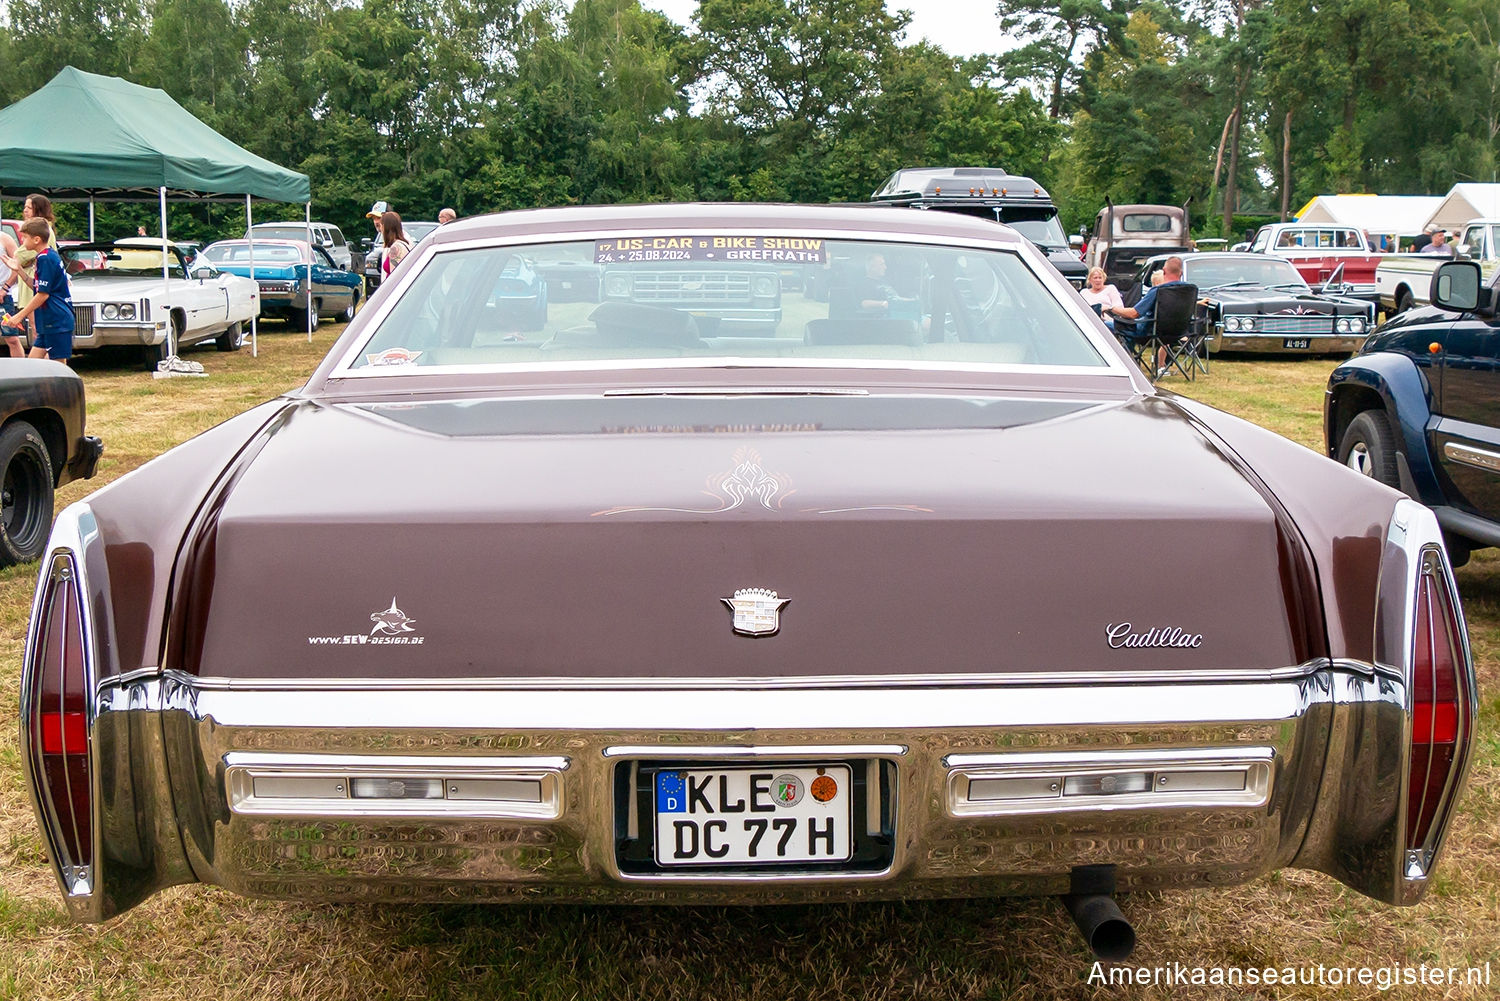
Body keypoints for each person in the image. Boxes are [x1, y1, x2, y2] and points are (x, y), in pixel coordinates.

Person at [2, 219, 74, 363]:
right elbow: (37, 286)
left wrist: (19, 316)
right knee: (33, 366)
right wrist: (19, 270)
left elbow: (43, 295)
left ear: (36, 239)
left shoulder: (46, 258)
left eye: (25, 237)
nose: (22, 241)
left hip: (56, 321)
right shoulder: (44, 256)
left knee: (58, 368)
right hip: (48, 322)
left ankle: (65, 387)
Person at [1109, 255, 1188, 374]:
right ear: (1181, 273)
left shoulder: (1158, 291)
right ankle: (1130, 364)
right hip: (1178, 333)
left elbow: (1133, 314)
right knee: (1127, 327)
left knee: (1111, 325)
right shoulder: (1189, 290)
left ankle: (1125, 364)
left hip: (1150, 332)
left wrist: (1112, 308)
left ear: (1164, 271)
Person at [379, 211, 412, 280]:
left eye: (381, 225)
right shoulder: (404, 244)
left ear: (386, 227)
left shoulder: (396, 248)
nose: (381, 229)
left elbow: (394, 278)